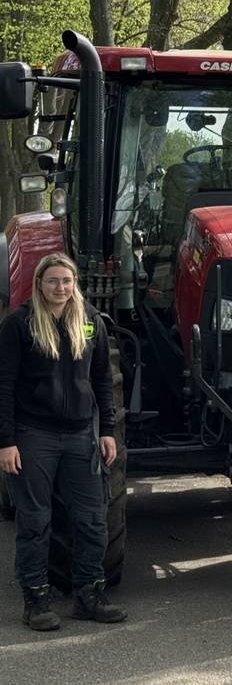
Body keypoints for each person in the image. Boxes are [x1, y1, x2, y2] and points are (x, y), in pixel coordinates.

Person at [0, 253, 127, 631]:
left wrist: (107, 428)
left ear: (75, 284)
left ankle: (89, 594)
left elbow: (103, 378)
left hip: (80, 435)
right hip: (33, 435)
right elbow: (3, 387)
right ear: (39, 283)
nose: (60, 288)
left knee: (92, 518)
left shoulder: (89, 321)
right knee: (36, 519)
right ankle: (36, 600)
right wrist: (6, 442)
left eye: (67, 281)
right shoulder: (18, 325)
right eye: (53, 281)